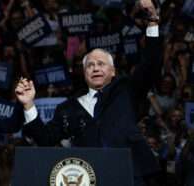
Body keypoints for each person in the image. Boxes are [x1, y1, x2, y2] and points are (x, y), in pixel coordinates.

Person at [15, 0, 161, 185]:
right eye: (90, 65)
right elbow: (45, 138)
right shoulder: (68, 108)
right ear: (84, 74)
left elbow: (151, 64)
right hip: (90, 178)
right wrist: (28, 105)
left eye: (101, 64)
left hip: (130, 175)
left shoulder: (126, 90)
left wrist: (153, 22)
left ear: (113, 71)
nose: (95, 68)